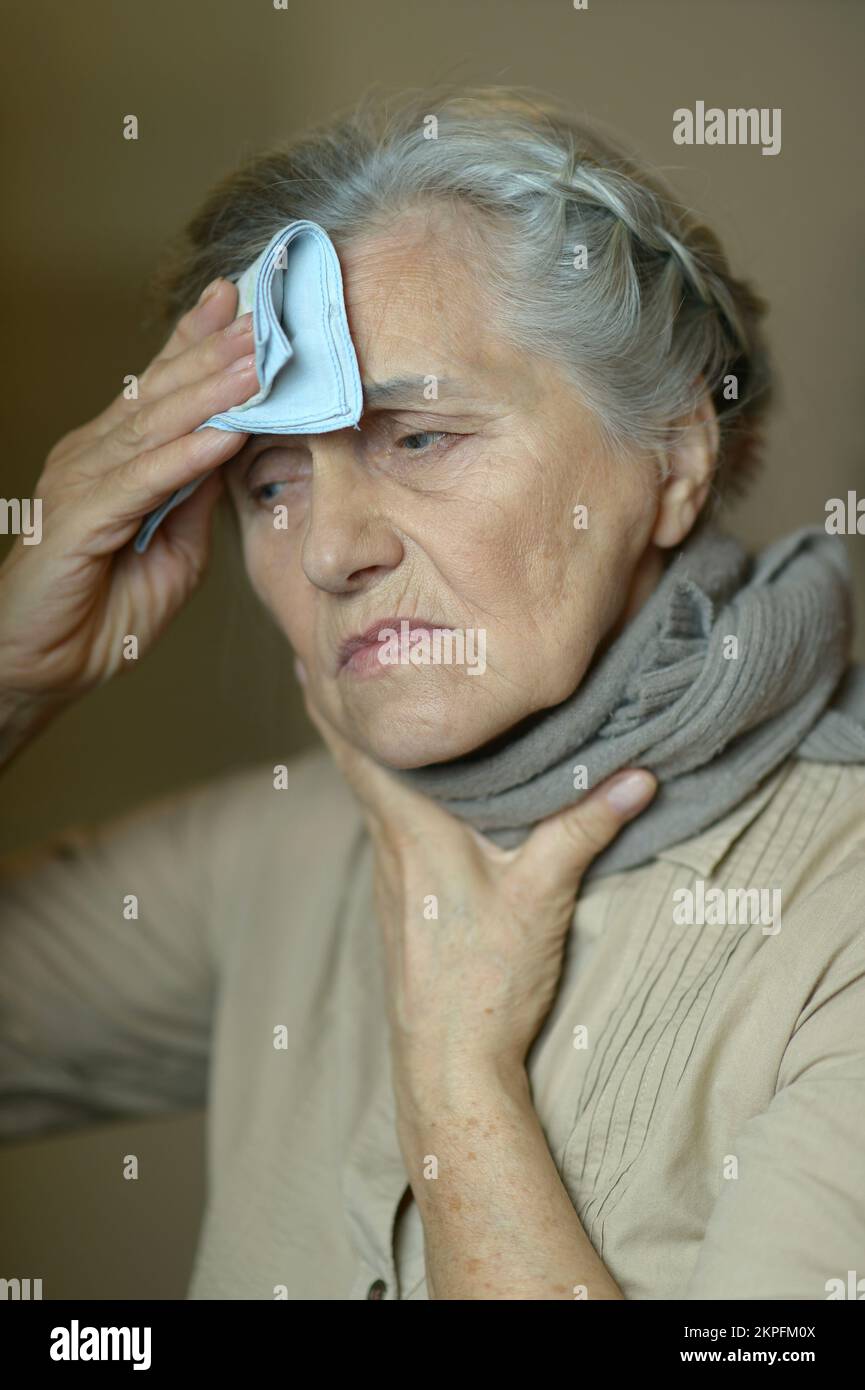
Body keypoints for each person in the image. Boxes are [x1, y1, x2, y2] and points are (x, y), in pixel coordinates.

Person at [2, 85, 864, 1301]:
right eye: (271, 482)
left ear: (672, 462)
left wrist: (455, 1073)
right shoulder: (285, 851)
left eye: (415, 438)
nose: (327, 550)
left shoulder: (838, 919)